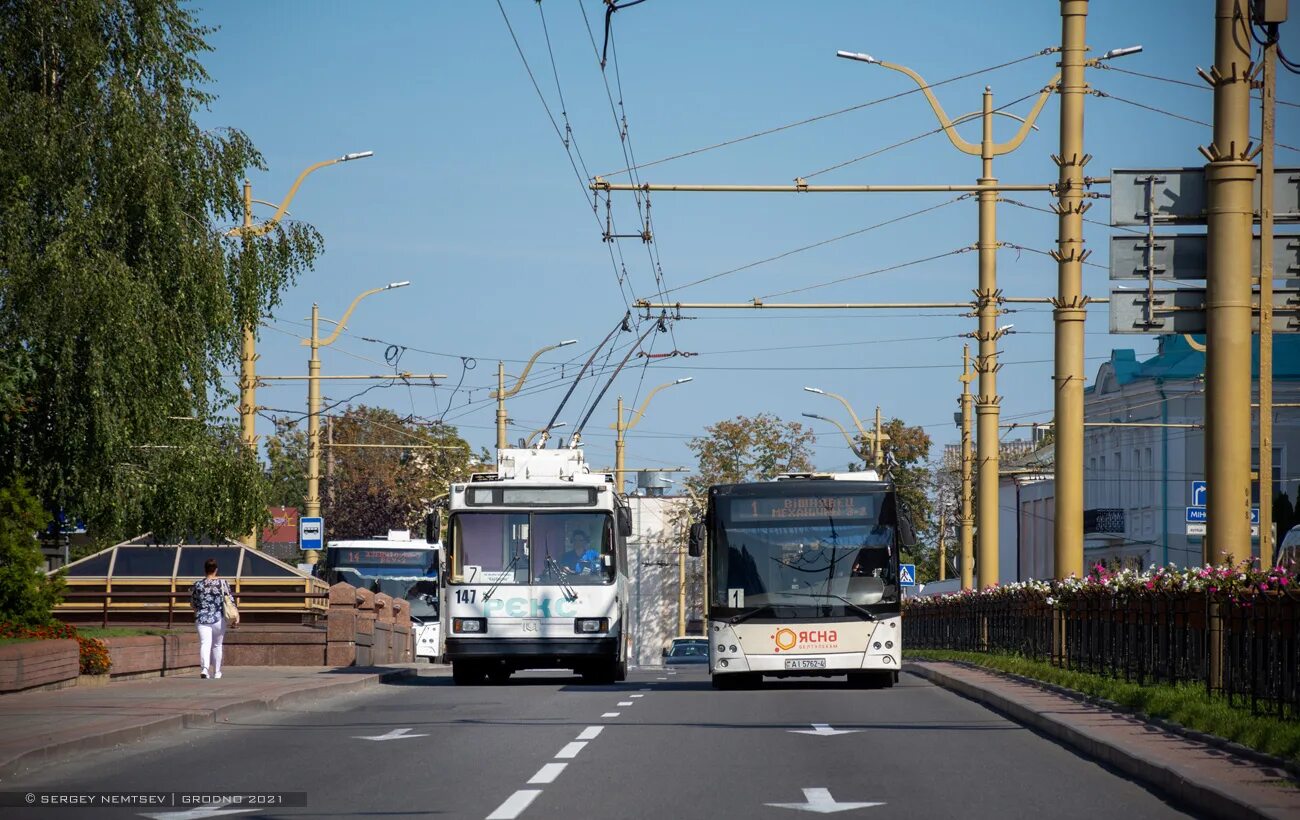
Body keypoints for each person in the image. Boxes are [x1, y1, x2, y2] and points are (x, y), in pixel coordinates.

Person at [189, 558, 232, 679]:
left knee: (205, 643)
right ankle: (217, 672)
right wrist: (236, 616)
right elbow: (229, 600)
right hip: (218, 618)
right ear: (216, 570)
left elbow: (193, 602)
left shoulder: (198, 584)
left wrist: (199, 609)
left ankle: (204, 669)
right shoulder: (222, 583)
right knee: (217, 645)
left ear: (205, 570)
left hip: (202, 618)